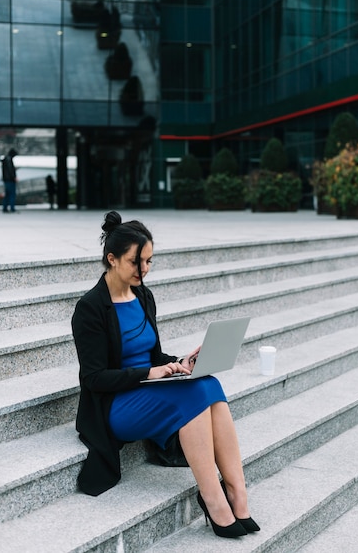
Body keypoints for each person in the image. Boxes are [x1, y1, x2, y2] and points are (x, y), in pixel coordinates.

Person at [72, 211, 260, 539]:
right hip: (113, 407)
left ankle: (237, 494)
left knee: (207, 383)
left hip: (146, 390)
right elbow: (94, 378)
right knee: (192, 396)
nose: (144, 270)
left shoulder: (143, 296)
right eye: (136, 262)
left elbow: (154, 355)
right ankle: (213, 499)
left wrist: (181, 362)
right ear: (112, 259)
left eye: (148, 261)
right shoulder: (89, 308)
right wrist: (150, 372)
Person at [2, 148, 18, 213]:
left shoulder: (5, 159)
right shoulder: (9, 159)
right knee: (12, 194)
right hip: (10, 180)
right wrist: (14, 177)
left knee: (7, 194)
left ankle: (5, 208)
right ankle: (12, 208)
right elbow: (10, 170)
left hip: (6, 180)